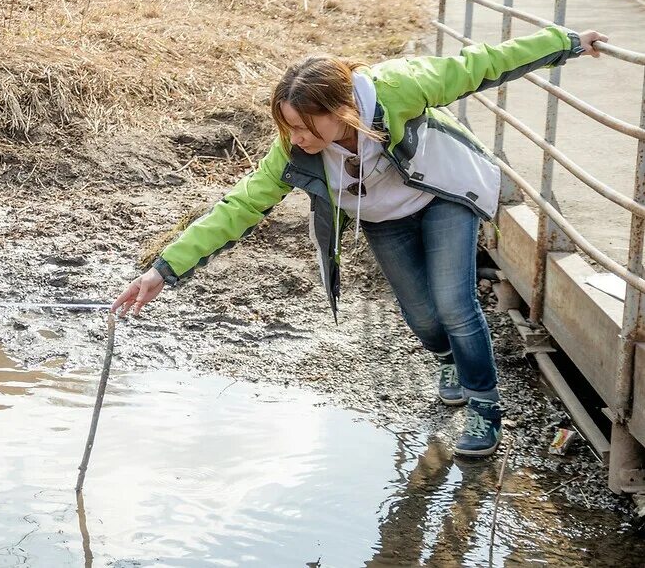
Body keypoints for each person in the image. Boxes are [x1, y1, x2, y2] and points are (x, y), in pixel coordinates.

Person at [113, 26, 607, 457]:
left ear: (344, 109)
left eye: (306, 126)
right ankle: (447, 363)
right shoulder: (293, 153)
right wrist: (162, 270)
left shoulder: (398, 88)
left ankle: (484, 410)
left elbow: (480, 65)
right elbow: (237, 209)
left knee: (456, 304)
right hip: (382, 217)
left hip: (442, 195)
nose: (297, 137)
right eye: (287, 126)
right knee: (421, 316)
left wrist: (565, 43)